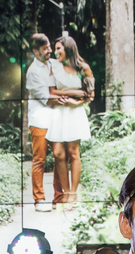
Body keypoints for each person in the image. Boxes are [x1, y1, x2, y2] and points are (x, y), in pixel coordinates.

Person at [46, 35, 94, 207]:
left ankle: (73, 194)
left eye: (59, 48)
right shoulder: (53, 67)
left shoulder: (83, 68)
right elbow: (51, 91)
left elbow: (90, 94)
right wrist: (74, 92)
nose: (56, 52)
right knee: (58, 153)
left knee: (74, 153)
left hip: (74, 112)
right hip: (59, 112)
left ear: (68, 48)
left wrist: (76, 101)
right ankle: (65, 192)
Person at [26, 33, 63, 212]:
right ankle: (39, 199)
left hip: (56, 118)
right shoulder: (33, 72)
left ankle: (59, 198)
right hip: (39, 120)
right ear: (35, 51)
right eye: (44, 48)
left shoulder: (54, 64)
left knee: (60, 158)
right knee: (39, 160)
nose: (49, 50)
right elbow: (46, 98)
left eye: (49, 47)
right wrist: (70, 99)